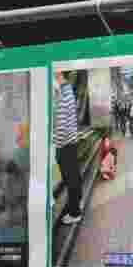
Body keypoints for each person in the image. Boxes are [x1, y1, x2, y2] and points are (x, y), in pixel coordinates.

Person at [54, 71, 83, 225]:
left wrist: (55, 144)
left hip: (65, 145)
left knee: (70, 179)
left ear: (58, 73)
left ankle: (74, 212)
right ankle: (76, 206)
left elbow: (60, 126)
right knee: (74, 177)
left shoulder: (62, 94)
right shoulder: (68, 91)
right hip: (70, 142)